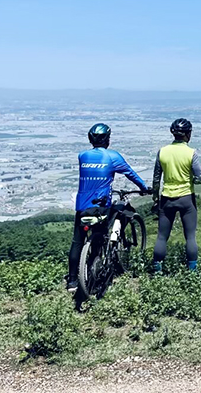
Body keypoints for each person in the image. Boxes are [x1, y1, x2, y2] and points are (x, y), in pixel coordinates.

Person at [67, 123, 149, 291]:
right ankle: (96, 276)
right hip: (101, 205)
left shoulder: (82, 156)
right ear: (107, 139)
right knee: (101, 236)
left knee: (77, 241)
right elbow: (131, 174)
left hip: (82, 206)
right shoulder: (112, 157)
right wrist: (144, 188)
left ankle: (73, 281)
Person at [151, 118, 201, 273]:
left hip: (166, 198)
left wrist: (156, 198)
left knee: (162, 237)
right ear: (188, 134)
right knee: (190, 236)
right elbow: (199, 178)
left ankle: (157, 271)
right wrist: (191, 180)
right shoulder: (191, 153)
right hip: (186, 198)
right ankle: (192, 272)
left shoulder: (162, 152)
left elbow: (156, 179)